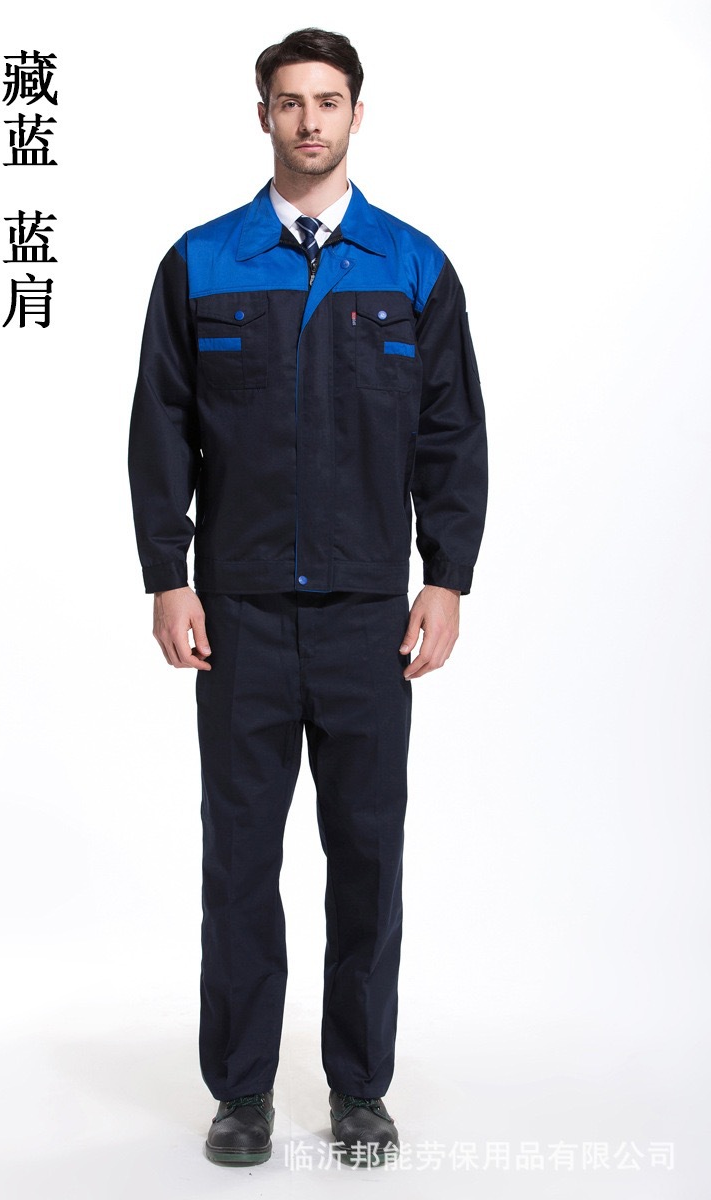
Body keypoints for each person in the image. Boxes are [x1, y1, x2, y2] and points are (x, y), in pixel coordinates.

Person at [127, 26, 488, 1168]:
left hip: (365, 620)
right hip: (235, 615)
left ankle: (358, 1089)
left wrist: (446, 576)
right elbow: (161, 430)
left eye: (328, 100)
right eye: (290, 101)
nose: (310, 120)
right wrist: (167, 574)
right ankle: (240, 1092)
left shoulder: (412, 267)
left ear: (356, 114)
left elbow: (450, 433)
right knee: (238, 860)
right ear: (263, 116)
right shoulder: (202, 263)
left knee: (366, 859)